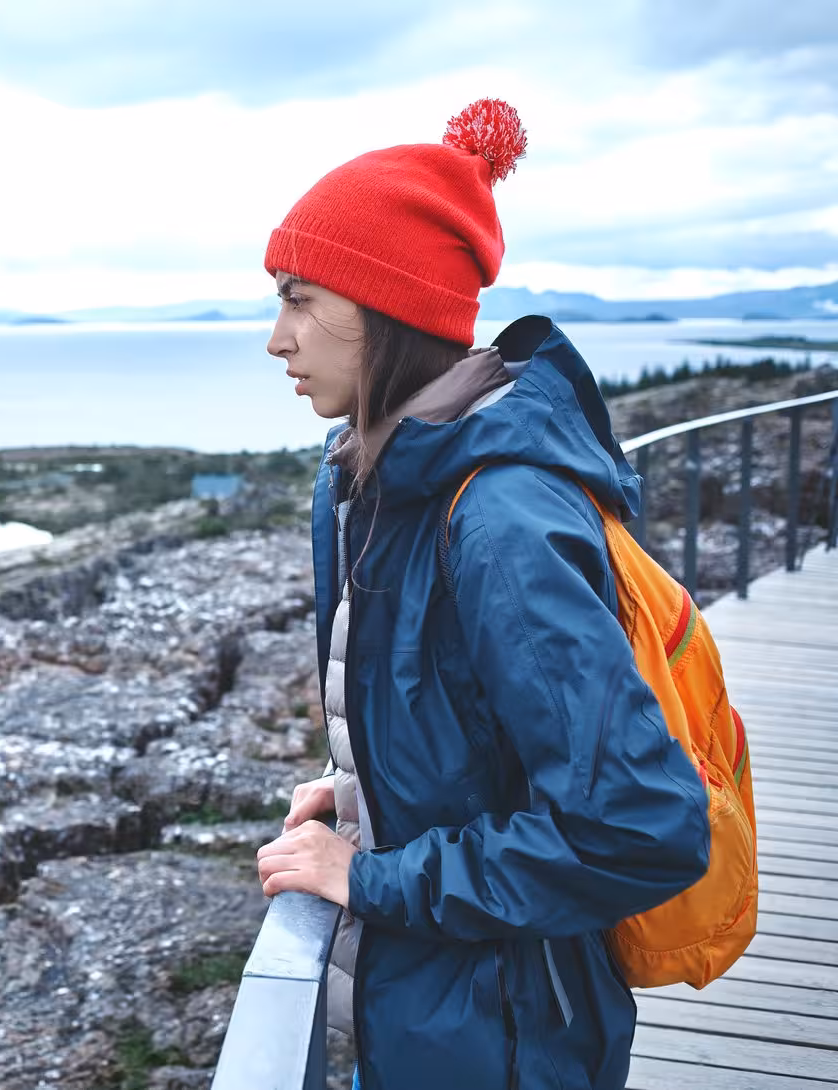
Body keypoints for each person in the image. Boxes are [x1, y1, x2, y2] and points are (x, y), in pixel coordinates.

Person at [252, 99, 711, 1090]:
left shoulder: (499, 519)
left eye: (299, 299)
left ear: (386, 306)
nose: (277, 339)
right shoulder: (377, 481)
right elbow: (479, 733)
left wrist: (372, 876)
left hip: (512, 1037)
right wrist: (368, 788)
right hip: (443, 1016)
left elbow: (639, 827)